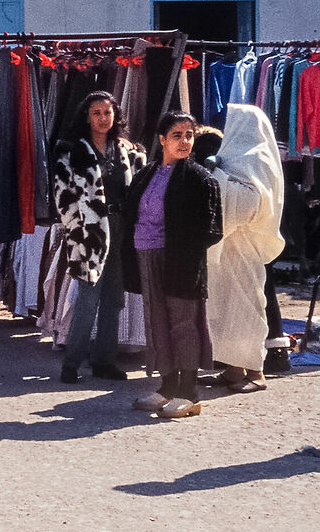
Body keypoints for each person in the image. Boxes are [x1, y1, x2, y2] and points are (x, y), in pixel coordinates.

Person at [117, 111, 223, 418]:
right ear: (162, 139)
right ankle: (167, 386)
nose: (185, 142)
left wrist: (183, 251)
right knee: (156, 321)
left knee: (183, 323)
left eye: (189, 136)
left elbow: (213, 230)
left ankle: (189, 392)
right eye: (177, 136)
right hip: (146, 256)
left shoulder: (200, 179)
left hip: (181, 262)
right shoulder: (146, 175)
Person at [51, 91, 144, 384]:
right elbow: (62, 195)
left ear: (115, 115)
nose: (103, 118)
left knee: (114, 298)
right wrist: (75, 229)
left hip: (120, 228)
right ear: (86, 116)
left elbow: (139, 182)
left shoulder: (124, 150)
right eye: (96, 113)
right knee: (88, 299)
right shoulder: (72, 150)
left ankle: (104, 361)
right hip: (88, 231)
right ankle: (71, 363)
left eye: (107, 112)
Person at [208, 104, 286, 393]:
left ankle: (256, 372)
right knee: (227, 309)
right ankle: (233, 368)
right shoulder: (233, 156)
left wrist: (217, 179)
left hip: (244, 246)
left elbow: (253, 204)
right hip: (227, 246)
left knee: (248, 308)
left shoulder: (257, 159)